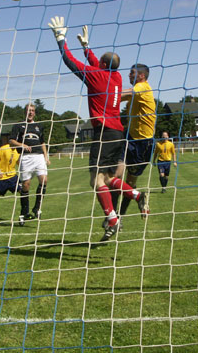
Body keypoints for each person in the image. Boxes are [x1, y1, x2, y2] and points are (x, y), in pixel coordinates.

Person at [48, 16, 147, 241]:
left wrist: (60, 39)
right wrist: (87, 48)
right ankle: (135, 194)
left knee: (96, 181)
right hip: (118, 133)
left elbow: (70, 61)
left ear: (101, 65)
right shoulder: (116, 76)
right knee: (108, 178)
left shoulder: (96, 76)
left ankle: (113, 218)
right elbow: (100, 63)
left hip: (104, 133)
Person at [115, 63, 156, 218]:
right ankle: (114, 216)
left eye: (132, 73)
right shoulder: (135, 93)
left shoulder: (143, 87)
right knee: (117, 174)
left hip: (144, 144)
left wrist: (109, 91)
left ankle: (121, 214)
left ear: (141, 75)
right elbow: (117, 98)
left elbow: (124, 93)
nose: (129, 75)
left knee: (130, 182)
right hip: (129, 138)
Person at [9, 103, 50, 226]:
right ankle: (24, 213)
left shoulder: (39, 126)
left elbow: (42, 142)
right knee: (26, 185)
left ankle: (37, 208)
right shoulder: (18, 126)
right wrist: (22, 145)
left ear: (34, 113)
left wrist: (46, 157)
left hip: (39, 156)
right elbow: (11, 141)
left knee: (44, 180)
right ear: (25, 112)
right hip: (26, 157)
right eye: (28, 110)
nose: (30, 112)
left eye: (32, 110)